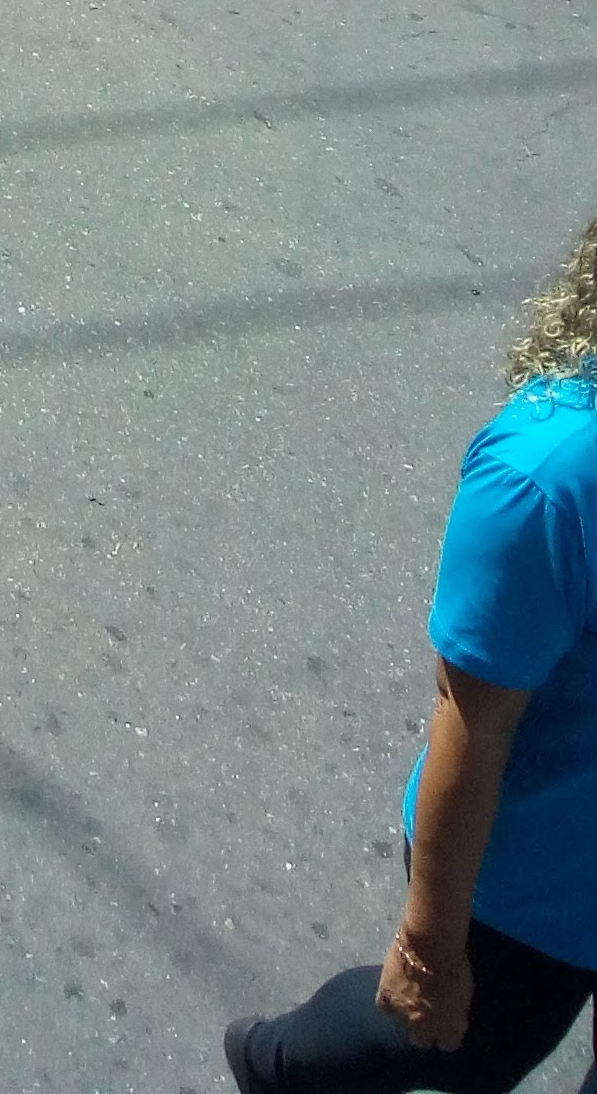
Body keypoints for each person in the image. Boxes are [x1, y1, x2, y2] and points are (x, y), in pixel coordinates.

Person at [226, 212, 597, 1092]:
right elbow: (474, 723)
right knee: (466, 1046)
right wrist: (429, 951)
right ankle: (277, 1065)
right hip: (544, 891)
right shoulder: (548, 479)